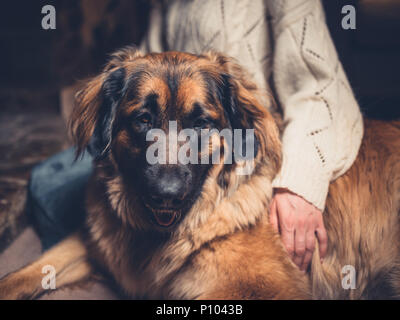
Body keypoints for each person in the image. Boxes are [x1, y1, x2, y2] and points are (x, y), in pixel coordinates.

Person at [140, 0, 363, 271]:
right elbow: (149, 64)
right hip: (181, 148)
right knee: (78, 169)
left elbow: (320, 89)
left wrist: (298, 185)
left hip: (252, 149)